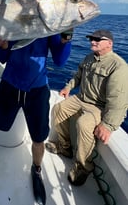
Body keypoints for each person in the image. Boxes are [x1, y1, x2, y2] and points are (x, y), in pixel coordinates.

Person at [0, 0, 73, 205]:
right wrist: (3, 46)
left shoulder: (48, 22)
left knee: (39, 138)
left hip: (37, 88)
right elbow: (4, 57)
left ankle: (37, 170)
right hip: (10, 84)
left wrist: (67, 39)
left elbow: (59, 61)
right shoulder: (10, 20)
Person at [46, 29, 128, 187]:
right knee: (58, 109)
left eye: (98, 39)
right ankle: (65, 147)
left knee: (83, 124)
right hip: (81, 98)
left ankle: (83, 167)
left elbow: (118, 100)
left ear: (109, 44)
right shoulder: (89, 58)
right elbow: (78, 76)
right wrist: (68, 87)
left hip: (98, 107)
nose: (93, 41)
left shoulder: (118, 66)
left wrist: (108, 125)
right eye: (91, 39)